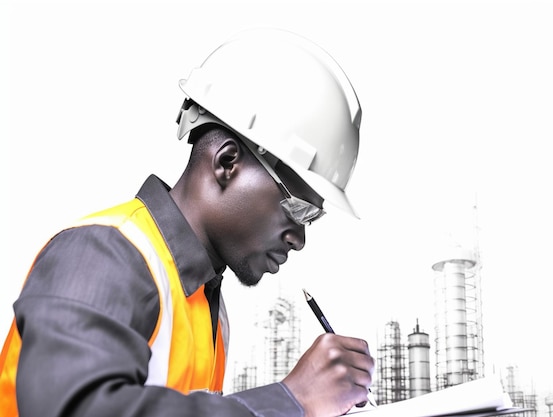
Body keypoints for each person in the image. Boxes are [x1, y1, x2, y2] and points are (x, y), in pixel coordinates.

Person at [0, 29, 373, 417]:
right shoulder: (102, 254)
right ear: (227, 163)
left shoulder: (207, 307)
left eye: (313, 219)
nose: (299, 240)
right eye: (298, 209)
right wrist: (289, 401)